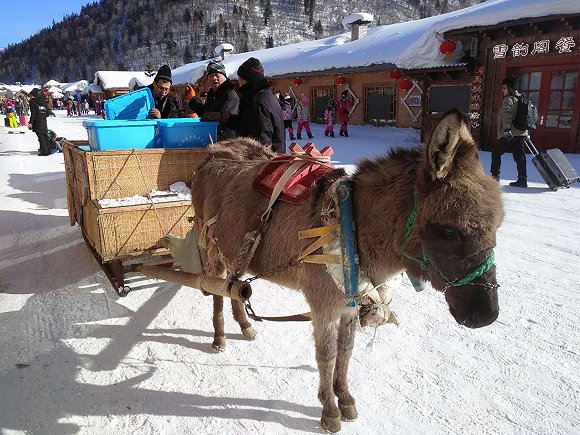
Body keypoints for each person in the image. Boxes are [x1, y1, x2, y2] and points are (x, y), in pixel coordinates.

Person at [236, 57, 285, 153]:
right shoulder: (267, 96)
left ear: (245, 80)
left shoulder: (257, 102)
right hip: (275, 157)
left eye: (240, 79)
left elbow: (261, 141)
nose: (238, 83)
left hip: (264, 162)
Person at [490, 77, 528, 188]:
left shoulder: (508, 99)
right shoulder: (523, 98)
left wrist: (506, 130)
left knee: (496, 152)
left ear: (510, 88)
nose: (502, 90)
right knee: (520, 155)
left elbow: (507, 116)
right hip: (521, 133)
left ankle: (494, 178)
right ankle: (522, 179)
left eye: (504, 87)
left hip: (510, 133)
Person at [196, 60, 239, 140]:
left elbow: (225, 117)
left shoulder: (229, 94)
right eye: (211, 76)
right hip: (213, 135)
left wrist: (206, 116)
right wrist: (192, 100)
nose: (214, 78)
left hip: (227, 139)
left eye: (217, 75)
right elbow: (204, 112)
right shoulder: (212, 94)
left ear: (224, 77)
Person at [28, 88, 51, 156]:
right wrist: (42, 116)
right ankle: (48, 150)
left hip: (37, 121)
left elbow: (33, 114)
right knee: (45, 135)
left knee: (41, 137)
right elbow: (47, 113)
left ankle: (44, 151)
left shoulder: (32, 102)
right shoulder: (43, 101)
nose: (30, 96)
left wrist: (31, 123)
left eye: (31, 95)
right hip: (43, 120)